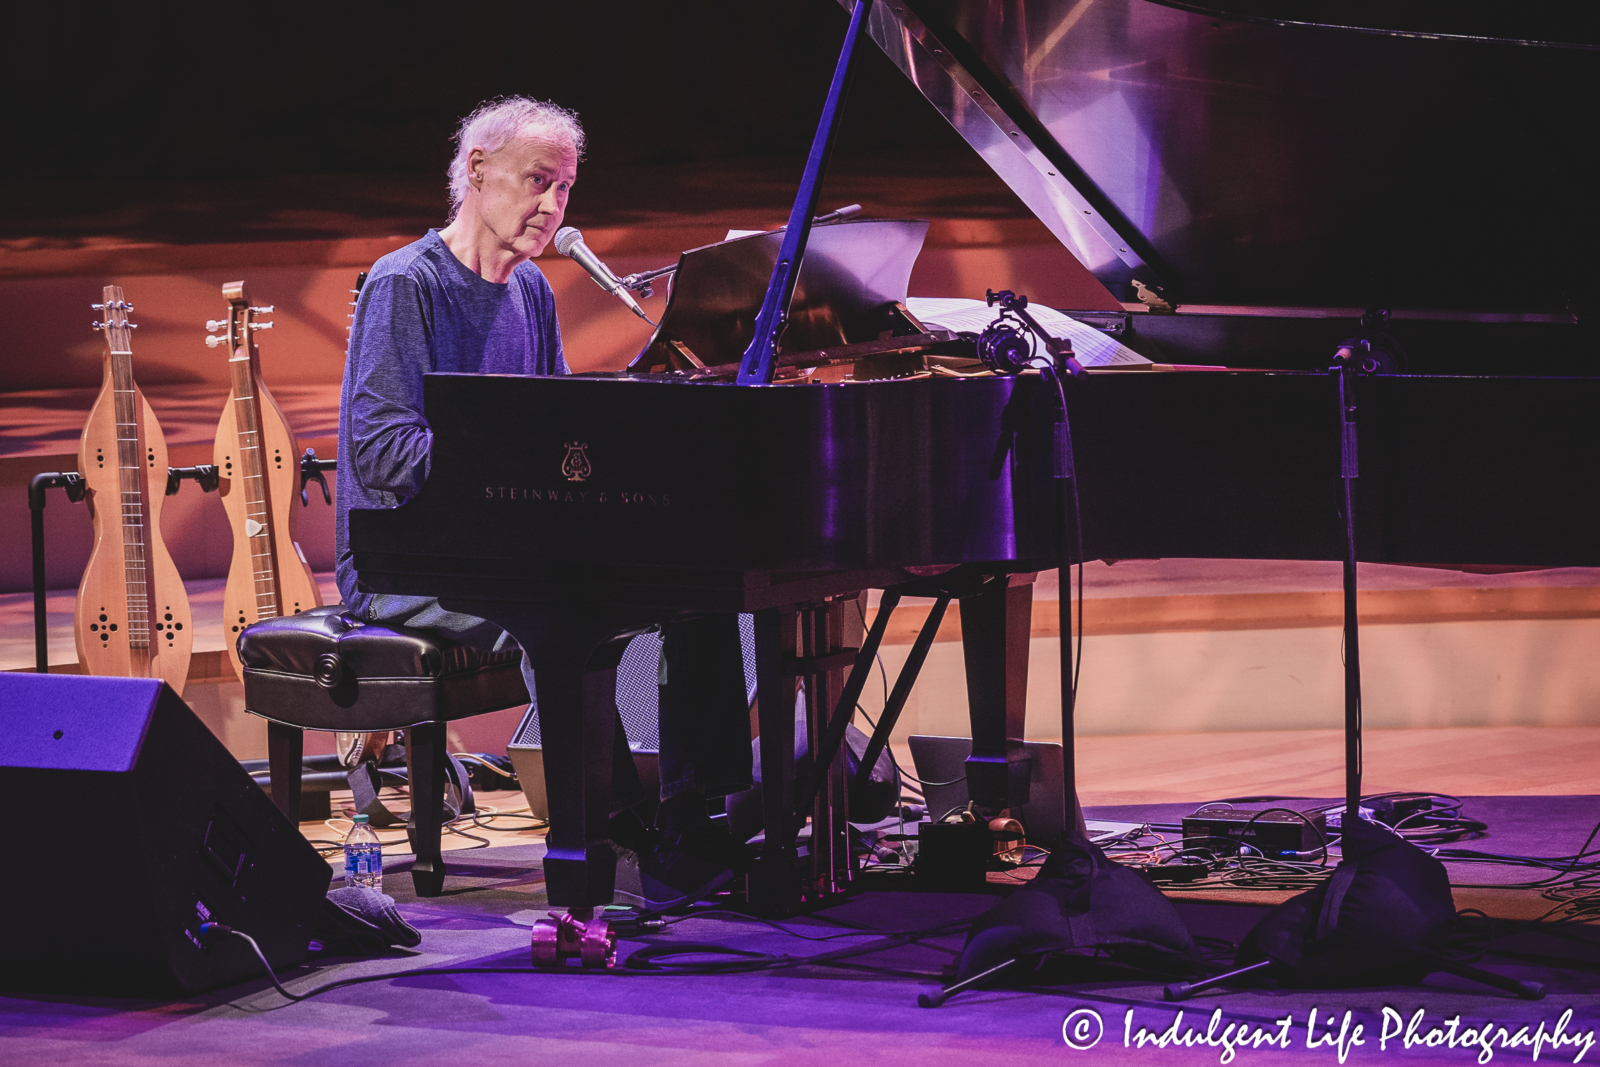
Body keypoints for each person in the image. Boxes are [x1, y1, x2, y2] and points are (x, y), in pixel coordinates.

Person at [335, 96, 751, 906]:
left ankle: (690, 813)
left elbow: (561, 439)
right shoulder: (405, 285)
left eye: (563, 188)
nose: (552, 205)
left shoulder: (530, 293)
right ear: (478, 171)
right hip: (404, 560)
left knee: (696, 594)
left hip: (514, 544)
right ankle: (612, 832)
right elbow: (381, 451)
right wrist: (502, 475)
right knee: (561, 610)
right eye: (537, 180)